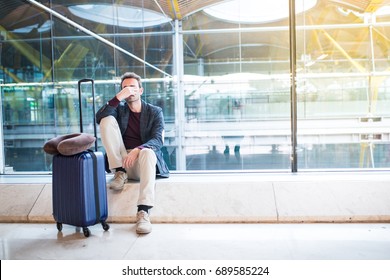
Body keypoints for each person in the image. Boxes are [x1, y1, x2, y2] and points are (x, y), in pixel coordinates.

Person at [96, 72, 169, 234]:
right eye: (125, 88)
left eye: (132, 87)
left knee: (149, 152)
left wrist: (138, 149)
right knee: (106, 120)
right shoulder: (119, 110)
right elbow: (99, 117)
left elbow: (158, 139)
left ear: (140, 90)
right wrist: (118, 98)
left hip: (143, 163)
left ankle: (143, 211)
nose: (129, 90)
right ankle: (120, 172)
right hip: (122, 161)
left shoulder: (154, 112)